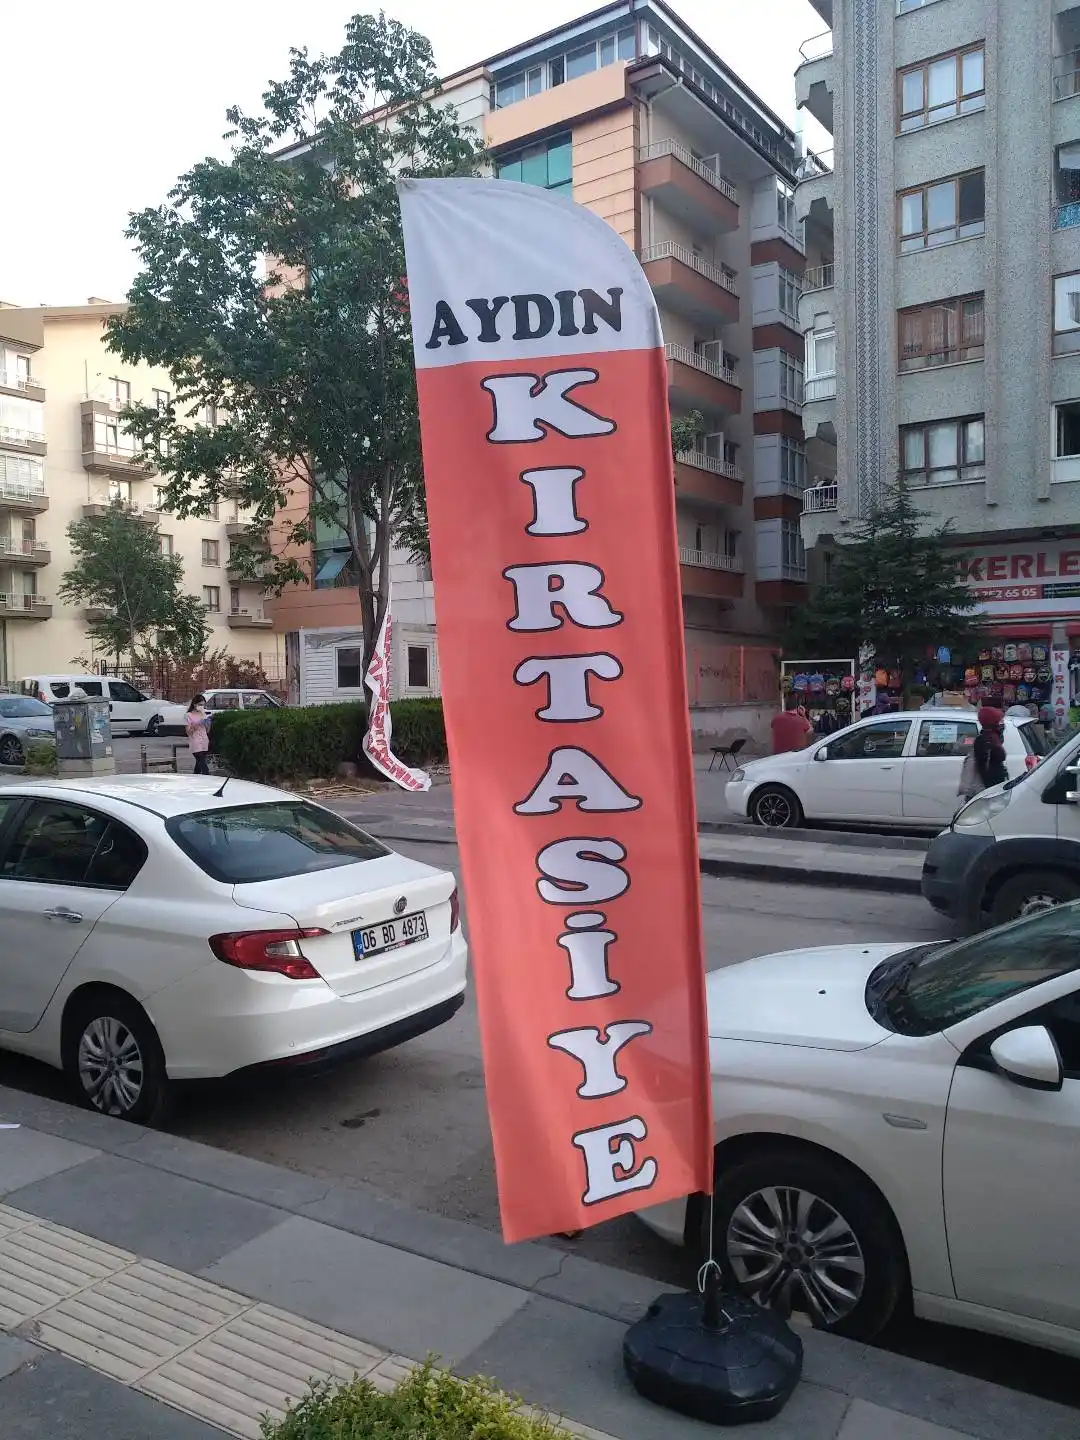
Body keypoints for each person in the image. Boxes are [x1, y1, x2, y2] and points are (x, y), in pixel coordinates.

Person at [973, 706, 1008, 790]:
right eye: (1000, 720)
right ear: (993, 721)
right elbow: (984, 767)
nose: (1002, 723)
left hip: (996, 783)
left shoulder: (994, 737)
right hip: (990, 786)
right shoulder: (985, 740)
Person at [186, 694, 212, 775]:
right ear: (194, 704)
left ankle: (196, 777)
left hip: (204, 741)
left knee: (198, 765)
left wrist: (208, 723)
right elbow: (188, 732)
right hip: (195, 742)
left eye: (203, 705)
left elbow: (207, 730)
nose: (202, 707)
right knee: (204, 767)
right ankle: (207, 778)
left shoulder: (204, 714)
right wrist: (197, 723)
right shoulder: (188, 715)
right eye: (200, 705)